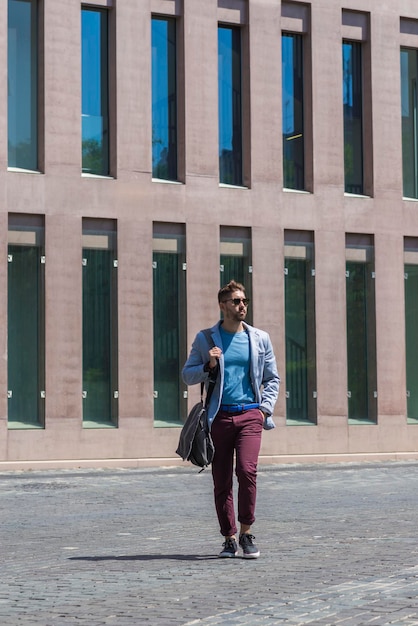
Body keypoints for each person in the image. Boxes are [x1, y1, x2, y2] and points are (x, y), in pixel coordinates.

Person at [182, 280, 280, 559]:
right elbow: (187, 375)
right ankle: (229, 537)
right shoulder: (206, 339)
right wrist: (207, 365)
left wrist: (264, 409)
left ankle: (247, 533)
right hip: (219, 417)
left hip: (250, 414)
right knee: (221, 480)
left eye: (244, 301)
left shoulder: (259, 338)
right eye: (236, 301)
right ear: (223, 305)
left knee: (247, 472)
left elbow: (272, 378)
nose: (242, 306)